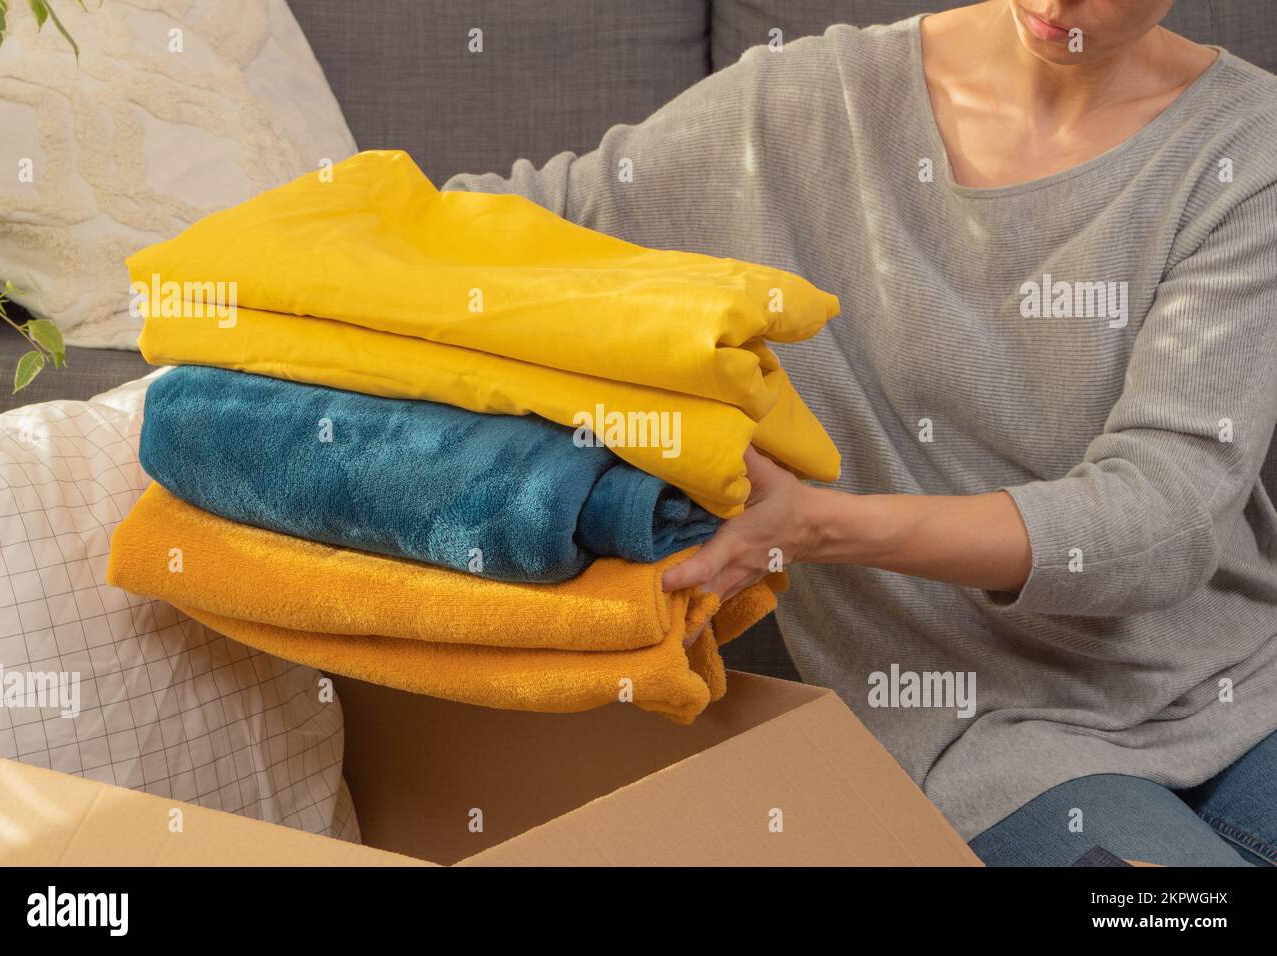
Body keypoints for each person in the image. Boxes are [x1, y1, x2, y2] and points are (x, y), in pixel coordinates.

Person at [443, 0, 1277, 866]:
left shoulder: (1248, 151)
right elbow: (506, 223)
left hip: (1245, 689)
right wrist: (312, 247)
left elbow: (1161, 518)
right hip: (990, 735)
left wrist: (818, 526)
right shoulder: (807, 108)